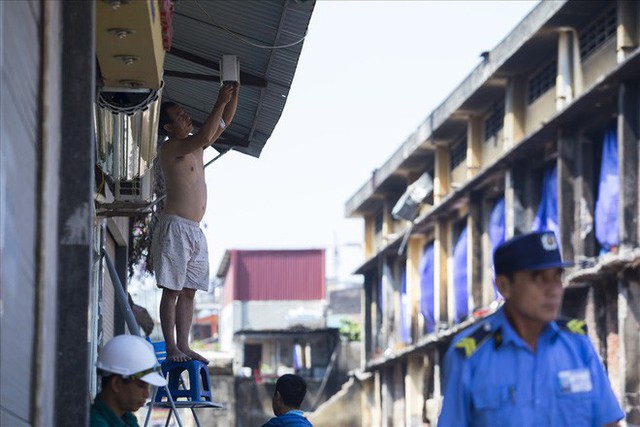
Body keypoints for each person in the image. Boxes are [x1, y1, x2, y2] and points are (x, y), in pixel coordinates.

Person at [438, 231, 625, 427]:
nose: (553, 290)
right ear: (504, 286)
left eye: (556, 277)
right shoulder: (470, 355)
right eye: (539, 278)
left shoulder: (578, 345)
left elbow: (608, 423)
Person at [152, 82, 239, 363]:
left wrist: (233, 96)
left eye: (184, 113)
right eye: (179, 116)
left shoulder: (197, 147)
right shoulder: (172, 149)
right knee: (173, 289)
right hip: (175, 226)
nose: (186, 117)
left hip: (194, 231)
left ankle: (184, 344)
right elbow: (204, 134)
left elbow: (223, 124)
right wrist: (218, 99)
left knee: (189, 291)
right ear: (168, 127)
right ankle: (171, 346)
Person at [91, 334, 167, 427]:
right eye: (141, 385)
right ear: (116, 384)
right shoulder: (95, 423)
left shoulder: (127, 419)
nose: (146, 394)